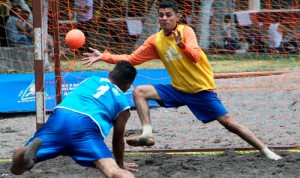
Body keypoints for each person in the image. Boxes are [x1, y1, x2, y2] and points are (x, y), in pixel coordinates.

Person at [82, 1, 282, 160]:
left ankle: (265, 150)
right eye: (161, 15)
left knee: (230, 124)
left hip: (201, 91)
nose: (164, 18)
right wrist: (104, 56)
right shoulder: (155, 40)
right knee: (139, 91)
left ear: (178, 16)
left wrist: (182, 46)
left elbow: (195, 56)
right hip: (178, 89)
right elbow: (132, 59)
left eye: (168, 15)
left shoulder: (186, 32)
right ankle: (147, 134)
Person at [10, 61, 138, 177]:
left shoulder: (90, 80)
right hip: (85, 127)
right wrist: (120, 164)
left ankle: (23, 153)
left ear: (110, 73)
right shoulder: (123, 101)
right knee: (114, 172)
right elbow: (118, 141)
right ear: (128, 86)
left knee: (16, 170)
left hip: (60, 116)